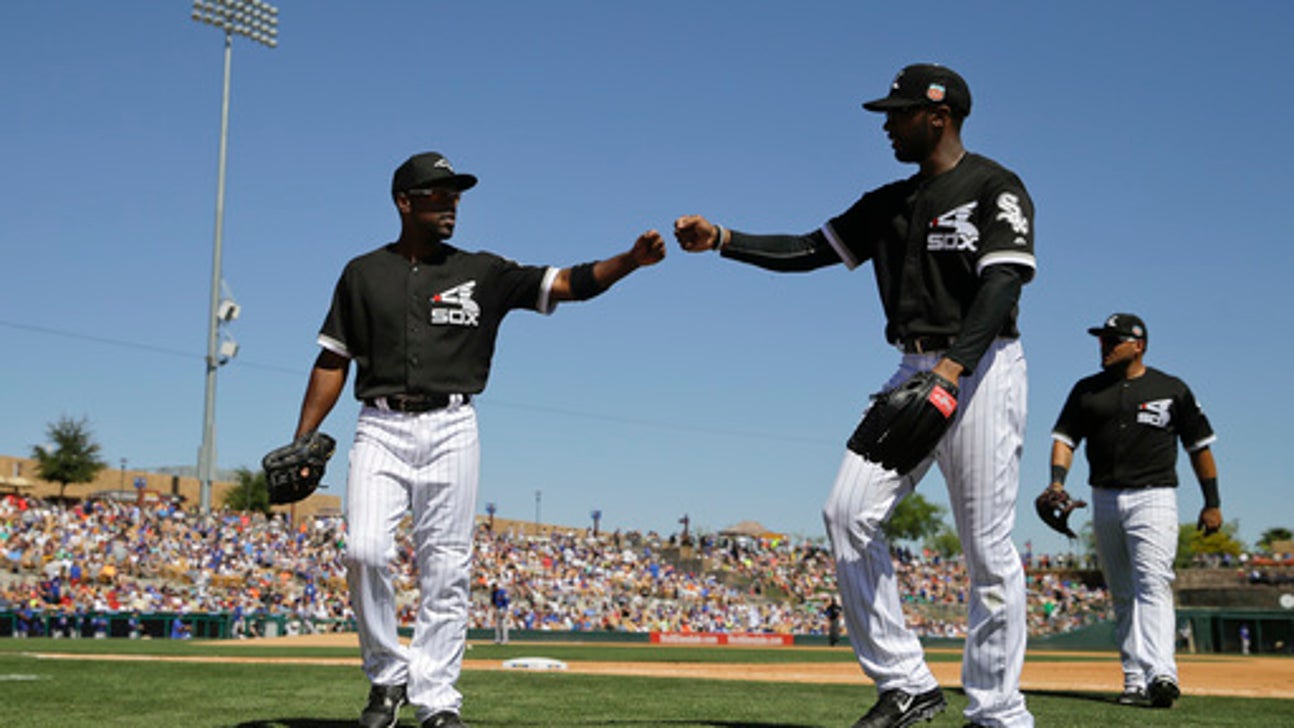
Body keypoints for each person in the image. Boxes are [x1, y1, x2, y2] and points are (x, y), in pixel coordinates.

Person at [674, 63, 1036, 727]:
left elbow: (1003, 284)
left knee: (986, 547)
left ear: (940, 115)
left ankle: (997, 711)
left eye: (897, 113)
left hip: (982, 368)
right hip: (912, 366)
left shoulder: (994, 186)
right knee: (846, 511)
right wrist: (724, 239)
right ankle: (906, 683)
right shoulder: (888, 202)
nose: (886, 124)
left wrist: (953, 371)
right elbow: (812, 248)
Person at [290, 151, 665, 728]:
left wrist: (632, 261)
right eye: (438, 195)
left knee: (447, 567)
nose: (451, 204)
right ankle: (388, 678)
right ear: (404, 202)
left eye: (456, 195)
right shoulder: (362, 273)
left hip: (452, 426)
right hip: (380, 425)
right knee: (364, 549)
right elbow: (331, 358)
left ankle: (437, 698)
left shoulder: (482, 271)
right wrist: (303, 438)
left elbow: (567, 283)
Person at [1046, 313, 1222, 709]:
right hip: (1104, 497)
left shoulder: (1171, 389)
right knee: (1123, 592)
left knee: (1153, 583)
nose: (1104, 346)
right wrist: (1057, 481)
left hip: (1154, 496)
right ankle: (1134, 680)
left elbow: (1200, 448)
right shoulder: (1086, 391)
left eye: (1113, 340)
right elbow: (1064, 439)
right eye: (1102, 340)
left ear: (1138, 344)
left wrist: (1212, 502)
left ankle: (1162, 673)